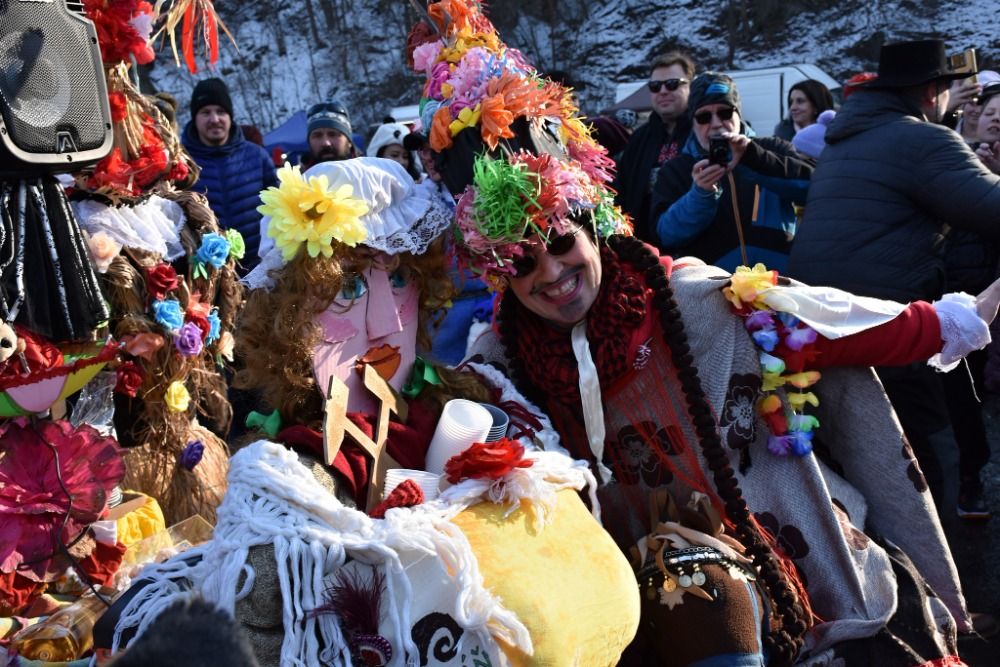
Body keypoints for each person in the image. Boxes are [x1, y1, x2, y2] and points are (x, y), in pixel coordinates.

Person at [412, 1, 992, 664]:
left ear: (595, 228)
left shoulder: (696, 301)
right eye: (520, 260)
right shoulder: (500, 363)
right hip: (640, 614)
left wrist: (952, 320)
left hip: (795, 584)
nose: (550, 273)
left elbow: (830, 325)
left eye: (561, 242)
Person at [110, 157, 640, 667]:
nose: (387, 322)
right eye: (350, 288)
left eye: (402, 280)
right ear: (291, 318)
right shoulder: (290, 483)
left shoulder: (478, 397)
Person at [787, 39, 1000, 515]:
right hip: (890, 331)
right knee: (927, 463)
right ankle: (935, 555)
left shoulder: (842, 142)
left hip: (819, 328)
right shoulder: (924, 139)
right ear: (931, 92)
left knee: (851, 468)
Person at [650, 72, 814, 272]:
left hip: (776, 281)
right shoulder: (676, 169)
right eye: (703, 117)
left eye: (725, 113)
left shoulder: (772, 149)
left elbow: (816, 187)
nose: (716, 123)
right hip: (714, 286)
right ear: (693, 123)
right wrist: (700, 195)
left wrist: (755, 159)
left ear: (739, 115)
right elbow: (666, 234)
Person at [182, 78, 277, 272]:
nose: (214, 119)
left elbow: (278, 210)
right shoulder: (181, 163)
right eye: (205, 112)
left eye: (221, 111)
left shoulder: (257, 156)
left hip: (258, 269)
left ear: (230, 116)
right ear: (194, 118)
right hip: (205, 273)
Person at [613, 51, 695, 243]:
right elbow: (621, 192)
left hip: (694, 246)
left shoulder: (702, 133)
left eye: (672, 84)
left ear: (690, 86)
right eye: (655, 86)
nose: (663, 91)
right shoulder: (639, 139)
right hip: (644, 246)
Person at [301, 99, 356, 168]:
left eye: (333, 134)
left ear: (349, 141)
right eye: (317, 136)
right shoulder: (300, 175)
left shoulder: (366, 172)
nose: (326, 143)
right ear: (309, 141)